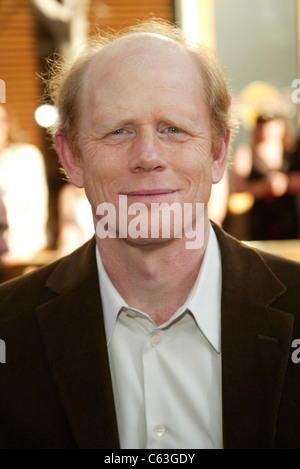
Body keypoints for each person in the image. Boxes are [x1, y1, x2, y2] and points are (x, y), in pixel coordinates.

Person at [0, 19, 300, 450]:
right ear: (72, 156)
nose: (147, 156)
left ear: (218, 152)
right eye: (118, 130)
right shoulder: (9, 330)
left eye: (173, 128)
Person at [231, 113, 300, 240]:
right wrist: (265, 186)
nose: (267, 128)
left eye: (271, 124)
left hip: (289, 221)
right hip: (257, 222)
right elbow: (238, 188)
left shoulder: (292, 151)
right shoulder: (246, 152)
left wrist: (285, 183)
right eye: (263, 124)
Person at [0, 104, 49, 262]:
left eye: (1, 121)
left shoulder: (25, 155)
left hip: (18, 255)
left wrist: (19, 251)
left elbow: (36, 207)